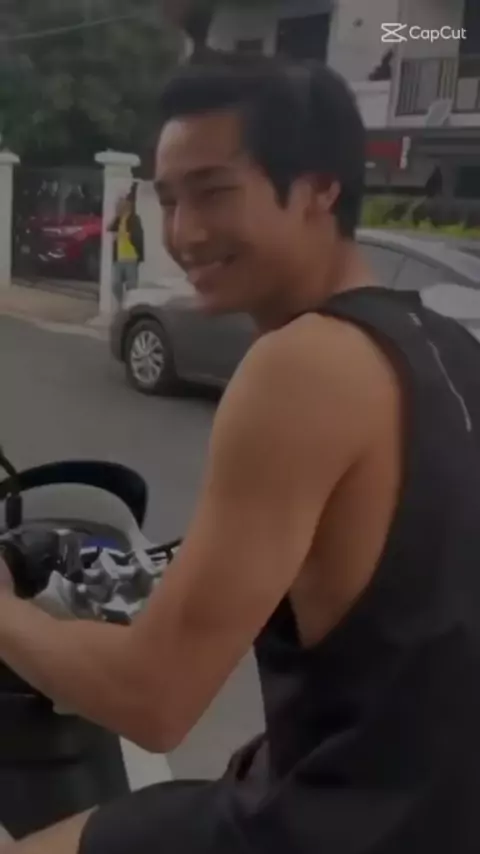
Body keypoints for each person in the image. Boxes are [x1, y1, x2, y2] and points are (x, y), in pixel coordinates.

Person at [2, 52, 480, 853]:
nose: (184, 233)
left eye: (215, 191)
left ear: (321, 187)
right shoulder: (448, 347)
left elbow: (154, 698)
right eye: (169, 200)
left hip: (339, 828)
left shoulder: (300, 365)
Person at [108, 193, 144, 304]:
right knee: (115, 284)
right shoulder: (118, 220)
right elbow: (109, 228)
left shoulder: (134, 219)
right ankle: (122, 303)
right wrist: (116, 218)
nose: (119, 207)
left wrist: (130, 236)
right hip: (118, 258)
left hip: (131, 257)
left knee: (131, 286)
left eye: (121, 205)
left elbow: (139, 236)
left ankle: (129, 306)